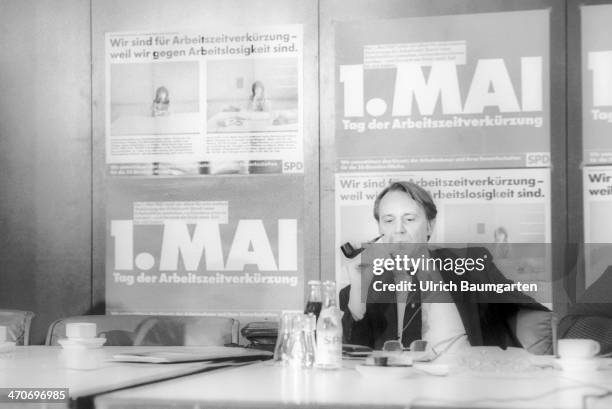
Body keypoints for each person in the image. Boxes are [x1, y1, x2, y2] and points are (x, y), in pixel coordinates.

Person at [339, 181, 551, 352]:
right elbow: (353, 355)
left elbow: (524, 307)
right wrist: (359, 287)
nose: (398, 230)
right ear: (379, 229)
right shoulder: (360, 290)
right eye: (388, 220)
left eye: (409, 219)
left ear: (430, 225)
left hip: (465, 385)